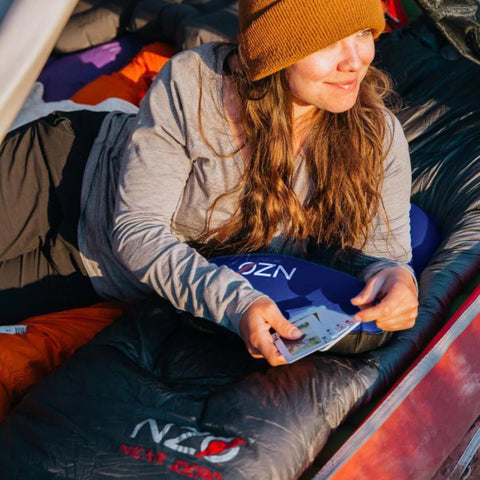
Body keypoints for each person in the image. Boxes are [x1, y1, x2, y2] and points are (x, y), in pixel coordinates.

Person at [0, 0, 418, 366]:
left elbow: (382, 256)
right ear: (275, 49)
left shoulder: (375, 138)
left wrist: (396, 277)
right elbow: (139, 230)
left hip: (93, 269)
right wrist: (235, 302)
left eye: (363, 33)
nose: (355, 60)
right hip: (56, 176)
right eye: (328, 42)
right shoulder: (195, 82)